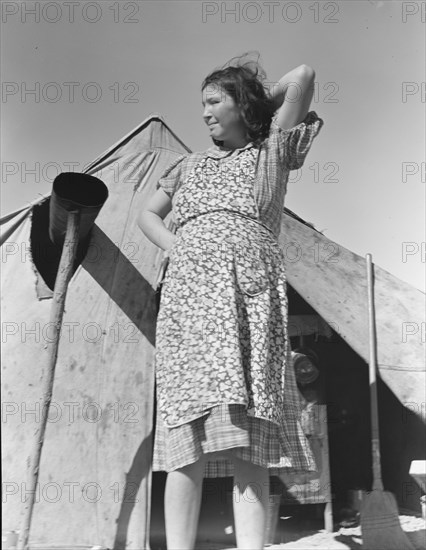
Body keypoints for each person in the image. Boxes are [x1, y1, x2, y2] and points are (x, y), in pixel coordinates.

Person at [138, 53, 324, 550]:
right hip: (192, 303)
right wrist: (179, 247)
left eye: (214, 100)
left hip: (249, 301)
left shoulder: (269, 154)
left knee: (249, 442)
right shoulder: (188, 165)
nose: (204, 112)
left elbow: (302, 77)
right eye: (202, 103)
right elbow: (149, 215)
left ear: (241, 105)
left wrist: (258, 103)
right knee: (186, 440)